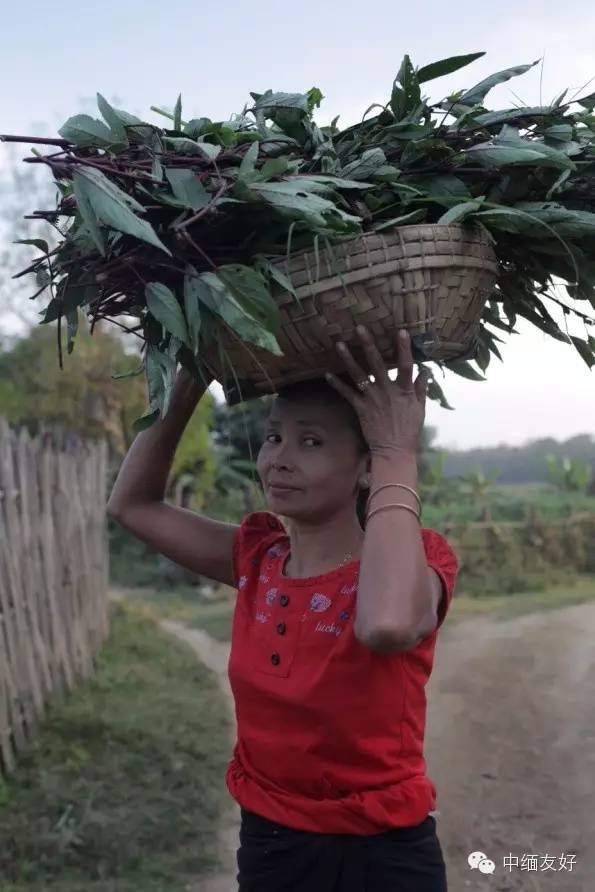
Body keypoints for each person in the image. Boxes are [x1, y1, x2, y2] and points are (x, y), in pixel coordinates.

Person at [107, 324, 459, 891]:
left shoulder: (419, 564)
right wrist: (189, 377)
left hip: (384, 856)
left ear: (366, 466)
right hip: (272, 846)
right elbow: (132, 505)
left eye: (312, 442)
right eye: (274, 437)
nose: (280, 459)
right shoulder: (257, 557)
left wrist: (396, 450)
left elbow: (387, 624)